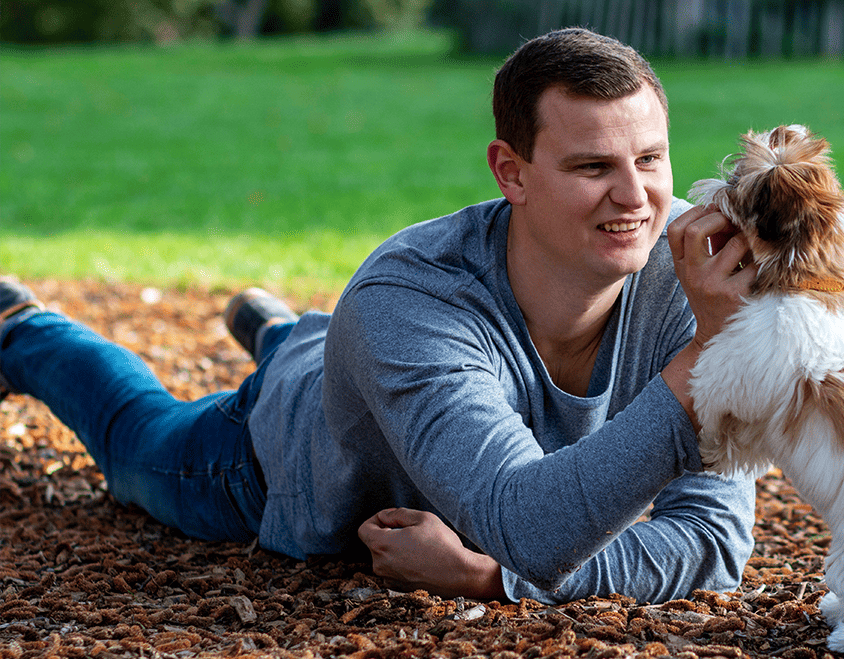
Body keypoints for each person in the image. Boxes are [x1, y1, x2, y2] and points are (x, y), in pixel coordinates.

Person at [0, 28, 760, 604]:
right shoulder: (412, 298)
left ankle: (288, 330)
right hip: (279, 453)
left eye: (650, 160)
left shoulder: (692, 267)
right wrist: (710, 359)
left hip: (381, 363)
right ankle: (24, 328)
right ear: (511, 172)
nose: (635, 200)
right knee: (136, 441)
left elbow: (714, 540)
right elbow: (531, 528)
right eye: (593, 166)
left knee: (335, 341)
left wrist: (492, 577)